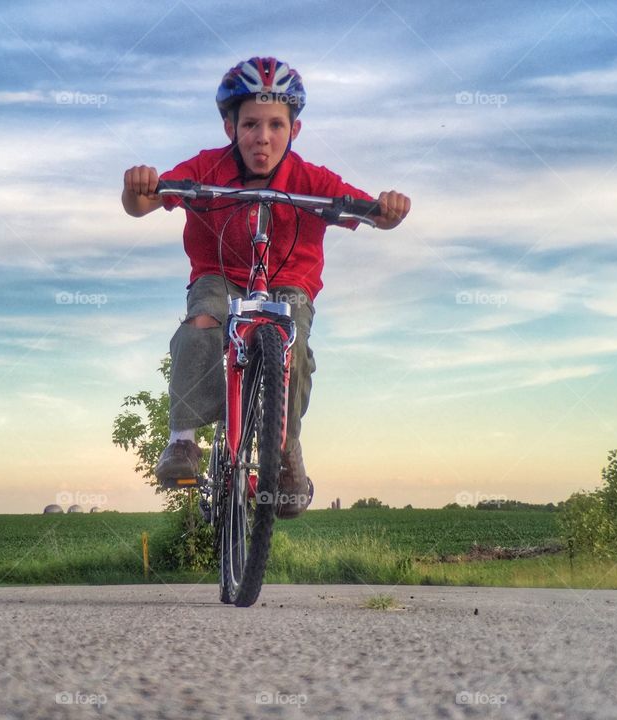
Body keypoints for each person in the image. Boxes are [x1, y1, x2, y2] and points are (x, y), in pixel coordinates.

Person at [122, 57, 410, 518]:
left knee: (291, 341)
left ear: (294, 130)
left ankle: (286, 450)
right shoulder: (207, 167)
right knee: (202, 320)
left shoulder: (313, 180)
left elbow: (373, 214)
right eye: (250, 124)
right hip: (220, 274)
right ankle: (183, 441)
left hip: (289, 281)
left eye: (276, 124)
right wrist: (138, 187)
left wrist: (388, 209)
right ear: (230, 127)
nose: (263, 136)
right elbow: (142, 204)